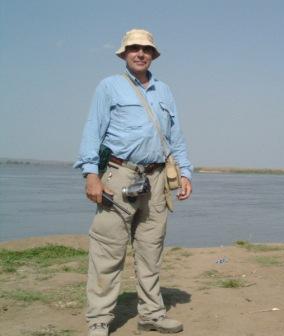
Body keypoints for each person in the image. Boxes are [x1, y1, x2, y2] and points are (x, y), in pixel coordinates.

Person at [74, 29, 192, 336]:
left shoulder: (165, 92)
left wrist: (185, 173)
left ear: (153, 55)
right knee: (108, 250)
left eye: (146, 49)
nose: (140, 53)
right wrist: (91, 175)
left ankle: (151, 315)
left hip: (157, 179)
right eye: (134, 48)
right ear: (124, 54)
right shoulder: (109, 87)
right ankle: (99, 320)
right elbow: (92, 130)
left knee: (151, 251)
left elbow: (175, 137)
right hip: (118, 175)